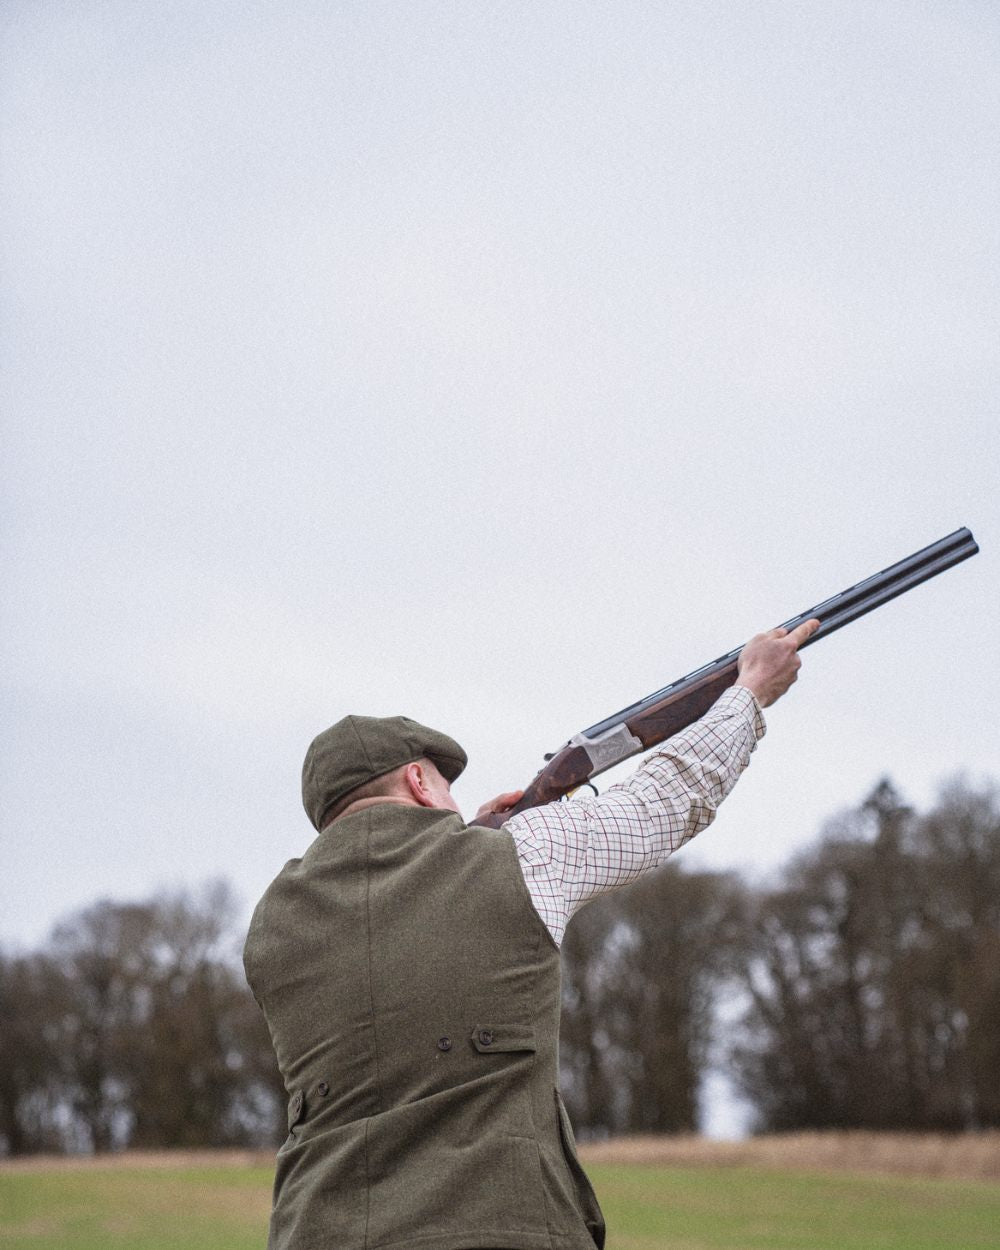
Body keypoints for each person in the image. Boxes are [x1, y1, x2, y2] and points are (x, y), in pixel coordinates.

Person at [243, 619, 819, 1250]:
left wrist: (487, 834)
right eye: (445, 787)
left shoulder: (272, 924)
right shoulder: (523, 856)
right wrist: (748, 694)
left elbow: (393, 954)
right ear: (416, 781)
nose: (459, 806)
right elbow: (664, 801)